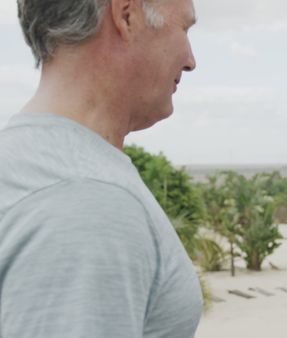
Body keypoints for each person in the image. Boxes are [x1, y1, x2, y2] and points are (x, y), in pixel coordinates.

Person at [0, 0, 200, 337]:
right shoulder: (89, 202)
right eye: (184, 28)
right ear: (126, 15)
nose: (191, 61)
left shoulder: (24, 161)